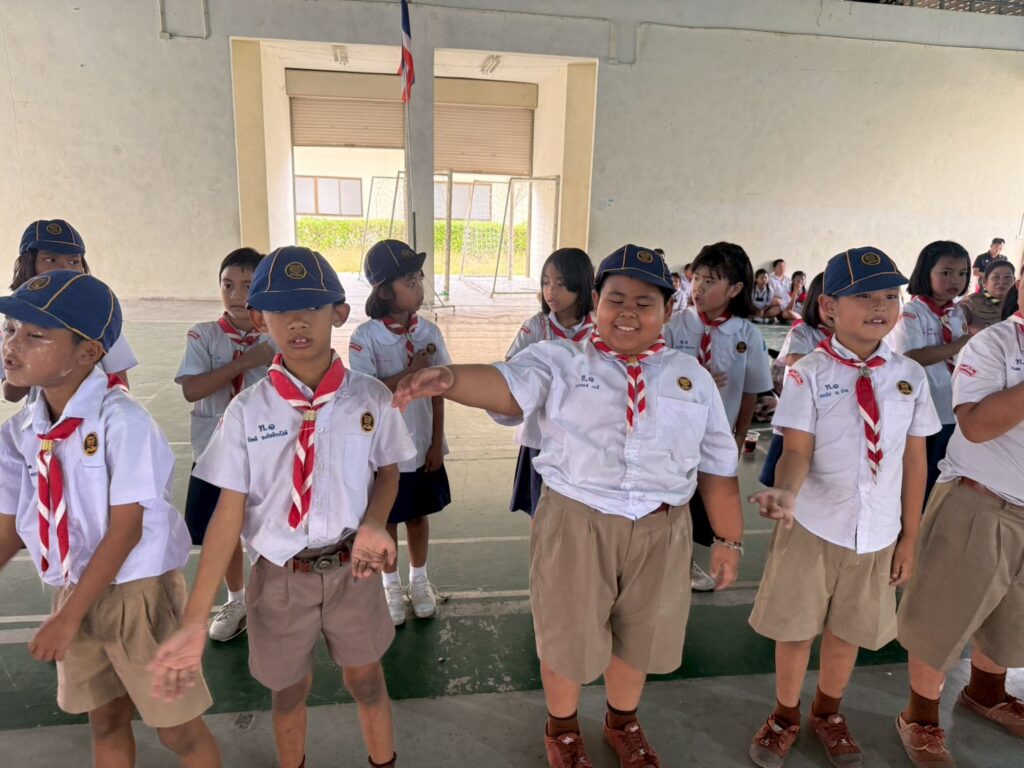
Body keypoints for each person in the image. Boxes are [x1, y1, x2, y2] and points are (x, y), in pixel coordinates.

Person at [393, 244, 744, 768]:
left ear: (668, 310)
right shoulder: (560, 359)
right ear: (596, 302)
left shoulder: (687, 377)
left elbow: (717, 467)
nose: (628, 312)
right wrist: (451, 379)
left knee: (639, 637)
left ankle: (623, 722)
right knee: (566, 637)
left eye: (644, 303)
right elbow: (507, 385)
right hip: (577, 522)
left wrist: (729, 540)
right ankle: (562, 729)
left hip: (661, 528)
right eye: (616, 299)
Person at [149, 246, 415, 768]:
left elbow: (387, 469)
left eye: (312, 306)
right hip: (278, 578)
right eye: (280, 309)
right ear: (259, 319)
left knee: (367, 681)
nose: (297, 321)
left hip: (353, 569)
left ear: (339, 312)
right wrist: (194, 620)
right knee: (288, 693)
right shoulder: (247, 411)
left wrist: (375, 523)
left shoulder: (369, 398)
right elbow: (228, 515)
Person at [0, 271, 219, 766]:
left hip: (136, 596)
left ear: (88, 353)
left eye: (35, 335)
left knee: (177, 730)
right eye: (10, 329)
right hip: (73, 590)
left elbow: (126, 530)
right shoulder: (21, 432)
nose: (12, 345)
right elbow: (9, 526)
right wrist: (69, 610)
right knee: (105, 720)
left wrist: (67, 618)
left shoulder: (124, 423)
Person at [747, 247, 939, 768]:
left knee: (847, 630)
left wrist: (910, 537)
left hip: (877, 533)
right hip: (813, 525)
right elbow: (796, 451)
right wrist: (786, 492)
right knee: (796, 628)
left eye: (890, 296)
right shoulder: (808, 373)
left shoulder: (909, 376)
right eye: (865, 296)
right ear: (829, 307)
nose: (880, 306)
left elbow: (915, 462)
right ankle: (785, 714)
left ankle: (827, 712)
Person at [895, 266, 1024, 766]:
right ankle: (920, 717)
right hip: (981, 501)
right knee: (941, 616)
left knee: (1010, 616)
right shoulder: (994, 345)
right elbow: (974, 425)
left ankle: (986, 693)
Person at [349, 239, 452, 625]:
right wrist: (412, 370)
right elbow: (367, 392)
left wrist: (437, 443)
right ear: (384, 291)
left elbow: (441, 389)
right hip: (382, 449)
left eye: (419, 279)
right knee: (387, 518)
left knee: (418, 517)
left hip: (422, 443)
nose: (419, 288)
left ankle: (419, 579)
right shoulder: (365, 337)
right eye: (409, 282)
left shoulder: (431, 332)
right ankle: (390, 584)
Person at [175, 247, 275, 641]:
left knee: (267, 522)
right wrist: (244, 362)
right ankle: (236, 599)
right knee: (225, 527)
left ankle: (271, 595)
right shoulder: (203, 335)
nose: (235, 295)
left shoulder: (276, 336)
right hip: (214, 452)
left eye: (247, 286)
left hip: (267, 451)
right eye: (227, 285)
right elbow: (192, 389)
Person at [664, 242, 772, 592]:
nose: (698, 288)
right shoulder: (674, 325)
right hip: (671, 437)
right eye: (696, 278)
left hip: (714, 439)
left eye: (710, 281)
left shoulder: (746, 334)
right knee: (670, 499)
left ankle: (687, 561)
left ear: (735, 289)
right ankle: (667, 560)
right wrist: (694, 378)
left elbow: (749, 391)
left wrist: (738, 437)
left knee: (703, 503)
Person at [3, 219, 137, 402]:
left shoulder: (97, 315)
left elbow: (120, 383)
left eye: (74, 261)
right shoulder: (13, 320)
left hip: (93, 414)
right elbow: (10, 394)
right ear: (28, 264)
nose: (64, 268)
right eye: (50, 260)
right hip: (40, 415)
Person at [504, 247, 594, 517]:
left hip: (583, 434)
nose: (550, 291)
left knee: (578, 508)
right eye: (545, 282)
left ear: (581, 285)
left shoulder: (598, 330)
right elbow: (511, 368)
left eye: (561, 284)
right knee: (540, 508)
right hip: (540, 436)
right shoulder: (536, 327)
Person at [888, 241, 971, 502]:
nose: (955, 280)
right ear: (926, 273)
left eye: (962, 273)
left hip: (953, 405)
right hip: (925, 407)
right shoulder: (911, 313)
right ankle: (915, 518)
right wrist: (960, 344)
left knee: (944, 473)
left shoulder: (956, 312)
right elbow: (912, 357)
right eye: (946, 272)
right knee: (921, 474)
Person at [759, 273, 831, 488]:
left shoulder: (849, 338)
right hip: (797, 417)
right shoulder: (803, 331)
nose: (834, 310)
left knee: (815, 482)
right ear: (817, 301)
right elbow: (797, 362)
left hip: (828, 419)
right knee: (781, 479)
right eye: (828, 303)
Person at [962, 258, 1015, 333]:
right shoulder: (970, 303)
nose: (1002, 282)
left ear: (1014, 280)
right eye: (996, 277)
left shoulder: (1019, 304)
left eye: (1007, 277)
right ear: (984, 281)